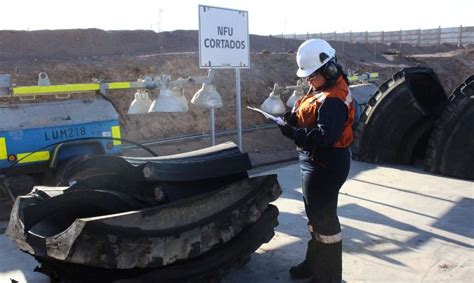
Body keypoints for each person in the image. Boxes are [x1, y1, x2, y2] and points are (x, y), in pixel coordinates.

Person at [278, 38, 355, 283]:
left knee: (325, 222)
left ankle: (328, 277)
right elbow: (312, 112)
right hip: (314, 161)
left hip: (326, 164)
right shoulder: (323, 87)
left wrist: (294, 133)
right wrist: (293, 119)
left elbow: (325, 136)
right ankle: (314, 264)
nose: (308, 81)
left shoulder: (333, 98)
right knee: (315, 217)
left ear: (329, 69)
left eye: (311, 76)